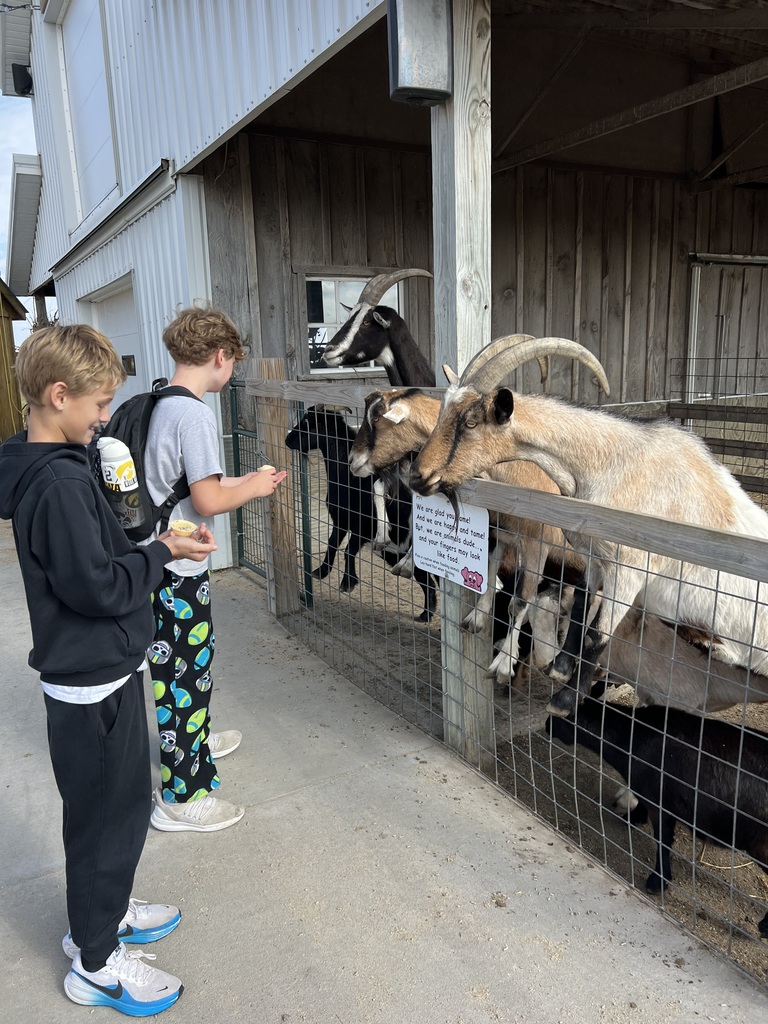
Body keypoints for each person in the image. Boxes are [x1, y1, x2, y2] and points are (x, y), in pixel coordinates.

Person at [0, 324, 218, 1015]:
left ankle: (106, 911)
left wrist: (154, 539)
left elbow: (102, 548)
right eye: (97, 405)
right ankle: (96, 962)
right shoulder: (57, 486)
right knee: (107, 817)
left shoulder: (54, 463)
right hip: (91, 678)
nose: (103, 419)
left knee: (112, 809)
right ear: (57, 395)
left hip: (102, 671)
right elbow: (97, 586)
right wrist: (160, 558)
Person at [141, 304, 286, 833]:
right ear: (221, 357)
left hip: (162, 554)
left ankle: (195, 743)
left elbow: (182, 489)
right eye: (233, 362)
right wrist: (258, 484)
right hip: (175, 569)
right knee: (183, 670)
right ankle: (184, 796)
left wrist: (242, 479)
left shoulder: (161, 398)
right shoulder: (195, 413)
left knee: (186, 666)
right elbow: (205, 498)